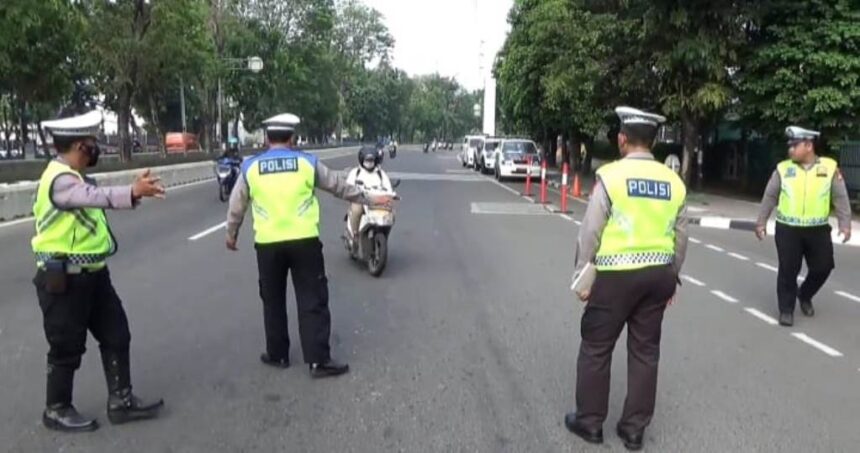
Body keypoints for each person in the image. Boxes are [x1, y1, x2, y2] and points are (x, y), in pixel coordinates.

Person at [226, 113, 391, 378]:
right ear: (292, 138)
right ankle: (318, 360)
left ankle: (277, 354)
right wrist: (372, 199)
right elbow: (339, 187)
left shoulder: (251, 167)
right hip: (305, 243)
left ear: (267, 139)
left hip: (268, 245)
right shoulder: (306, 163)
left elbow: (237, 205)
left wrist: (231, 234)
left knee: (273, 301)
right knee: (312, 300)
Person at [31, 111, 166, 432]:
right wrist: (132, 192)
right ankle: (57, 408)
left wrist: (133, 191)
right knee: (66, 346)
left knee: (116, 334)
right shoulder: (60, 179)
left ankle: (121, 400)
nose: (97, 148)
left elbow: (95, 195)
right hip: (64, 278)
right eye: (92, 143)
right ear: (80, 145)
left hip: (94, 275)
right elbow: (93, 198)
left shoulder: (75, 175)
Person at [564, 107, 688, 451]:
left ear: (622, 139)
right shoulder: (674, 182)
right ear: (653, 142)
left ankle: (589, 422)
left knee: (596, 346)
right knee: (646, 351)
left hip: (615, 276)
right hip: (658, 275)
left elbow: (591, 230)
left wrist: (582, 275)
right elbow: (681, 235)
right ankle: (634, 430)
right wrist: (672, 277)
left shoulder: (612, 176)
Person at [755, 126, 852, 327]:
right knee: (788, 270)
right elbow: (770, 196)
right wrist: (761, 221)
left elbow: (840, 197)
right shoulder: (783, 169)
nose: (790, 150)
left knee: (823, 267)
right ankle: (786, 310)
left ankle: (805, 294)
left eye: (794, 146)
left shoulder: (829, 168)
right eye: (789, 146)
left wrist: (845, 224)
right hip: (788, 229)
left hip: (818, 229)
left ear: (808, 146)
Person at [346, 147, 393, 246]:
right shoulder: (355, 173)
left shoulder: (381, 174)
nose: (369, 162)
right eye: (367, 160)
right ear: (362, 160)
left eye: (371, 160)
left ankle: (384, 233)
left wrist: (393, 195)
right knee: (356, 209)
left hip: (377, 202)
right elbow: (348, 187)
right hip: (361, 201)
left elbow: (389, 189)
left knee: (392, 212)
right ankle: (355, 235)